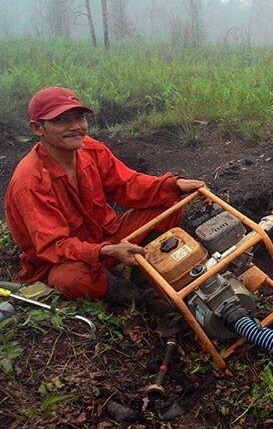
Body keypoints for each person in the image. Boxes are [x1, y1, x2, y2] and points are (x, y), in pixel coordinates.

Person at [4, 87, 206, 302]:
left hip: (108, 238)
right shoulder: (30, 182)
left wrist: (174, 185)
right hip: (65, 259)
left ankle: (147, 277)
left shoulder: (90, 149)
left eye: (79, 117)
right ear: (38, 128)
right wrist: (106, 251)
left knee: (168, 203)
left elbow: (128, 184)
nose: (75, 127)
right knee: (73, 279)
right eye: (61, 120)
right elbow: (54, 246)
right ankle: (135, 297)